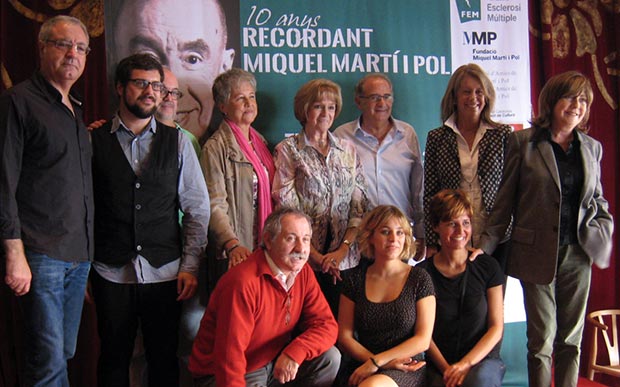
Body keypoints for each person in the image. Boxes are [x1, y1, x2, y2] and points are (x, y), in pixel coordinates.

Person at [477, 71, 614, 387]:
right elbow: (504, 202)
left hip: (578, 255)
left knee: (571, 340)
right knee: (541, 341)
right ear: (551, 102)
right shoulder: (523, 142)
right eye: (570, 97)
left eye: (583, 100)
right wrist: (484, 247)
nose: (576, 106)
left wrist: (602, 235)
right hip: (534, 254)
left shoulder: (592, 148)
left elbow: (597, 200)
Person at [90, 53, 211, 387]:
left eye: (156, 85)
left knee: (163, 360)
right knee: (113, 360)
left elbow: (198, 209)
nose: (150, 91)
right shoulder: (93, 140)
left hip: (166, 271)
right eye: (141, 83)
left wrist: (188, 265)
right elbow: (84, 211)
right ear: (119, 87)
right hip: (110, 271)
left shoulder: (179, 143)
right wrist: (85, 268)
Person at [0, 15, 93, 387]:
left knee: (63, 354)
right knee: (49, 362)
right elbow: (3, 182)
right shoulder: (18, 102)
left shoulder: (76, 111)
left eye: (81, 48)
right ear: (42, 48)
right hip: (39, 254)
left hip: (77, 256)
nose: (73, 53)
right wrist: (13, 253)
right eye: (62, 44)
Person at [189, 207, 341, 387]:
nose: (300, 248)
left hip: (270, 361)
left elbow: (327, 326)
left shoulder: (302, 272)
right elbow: (229, 359)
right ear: (268, 240)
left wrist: (295, 352)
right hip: (226, 373)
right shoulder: (243, 282)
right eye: (291, 238)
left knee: (330, 358)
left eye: (306, 240)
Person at [272, 78, 369, 315]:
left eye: (331, 107)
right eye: (318, 106)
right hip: (302, 261)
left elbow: (359, 205)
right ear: (304, 110)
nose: (326, 113)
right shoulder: (287, 150)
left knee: (342, 329)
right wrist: (315, 257)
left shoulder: (348, 150)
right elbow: (286, 207)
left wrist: (341, 252)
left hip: (345, 262)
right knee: (307, 328)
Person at [423, 63, 512, 270]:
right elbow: (430, 194)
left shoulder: (502, 135)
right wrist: (431, 240)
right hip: (452, 237)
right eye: (466, 92)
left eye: (479, 92)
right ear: (454, 97)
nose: (473, 98)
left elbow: (512, 191)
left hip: (496, 237)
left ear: (487, 96)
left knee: (493, 298)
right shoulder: (437, 138)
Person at [108, 0, 235, 141]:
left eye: (193, 59)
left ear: (224, 68)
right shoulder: (98, 141)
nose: (171, 88)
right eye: (150, 58)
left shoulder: (196, 147)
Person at [338, 205, 435, 387]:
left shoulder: (419, 278)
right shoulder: (354, 280)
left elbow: (423, 339)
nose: (393, 239)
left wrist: (378, 362)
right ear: (371, 237)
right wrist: (374, 362)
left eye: (400, 233)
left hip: (407, 367)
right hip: (363, 364)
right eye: (385, 232)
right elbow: (345, 337)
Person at [334, 73, 425, 261]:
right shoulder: (341, 136)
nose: (382, 103)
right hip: (357, 241)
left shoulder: (407, 134)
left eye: (387, 96)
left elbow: (418, 188)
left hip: (397, 239)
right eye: (375, 97)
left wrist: (421, 232)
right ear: (359, 102)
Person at [418, 190, 504, 387]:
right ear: (436, 226)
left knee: (477, 382)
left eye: (465, 223)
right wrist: (447, 370)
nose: (460, 231)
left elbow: (496, 327)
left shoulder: (488, 267)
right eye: (451, 224)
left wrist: (466, 364)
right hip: (439, 364)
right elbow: (424, 334)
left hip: (482, 362)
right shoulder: (422, 273)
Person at [201, 68, 275, 293]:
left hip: (266, 247)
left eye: (251, 96)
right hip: (236, 251)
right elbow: (214, 205)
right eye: (240, 98)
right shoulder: (215, 148)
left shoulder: (260, 142)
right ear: (222, 106)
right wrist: (232, 244)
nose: (249, 103)